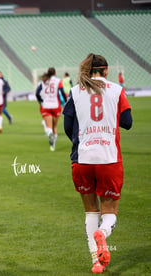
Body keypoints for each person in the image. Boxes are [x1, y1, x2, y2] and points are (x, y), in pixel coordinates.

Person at [62, 53, 132, 273]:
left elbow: (67, 126)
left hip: (82, 159)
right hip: (108, 159)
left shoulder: (75, 91)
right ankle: (103, 232)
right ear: (106, 70)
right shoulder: (116, 90)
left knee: (90, 211)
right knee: (109, 210)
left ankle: (96, 262)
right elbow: (127, 122)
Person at [35, 67, 67, 151]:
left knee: (49, 127)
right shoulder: (58, 81)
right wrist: (66, 102)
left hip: (46, 105)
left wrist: (41, 101)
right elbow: (62, 92)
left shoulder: (43, 81)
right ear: (55, 73)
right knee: (55, 126)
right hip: (56, 105)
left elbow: (37, 93)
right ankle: (53, 146)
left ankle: (50, 135)